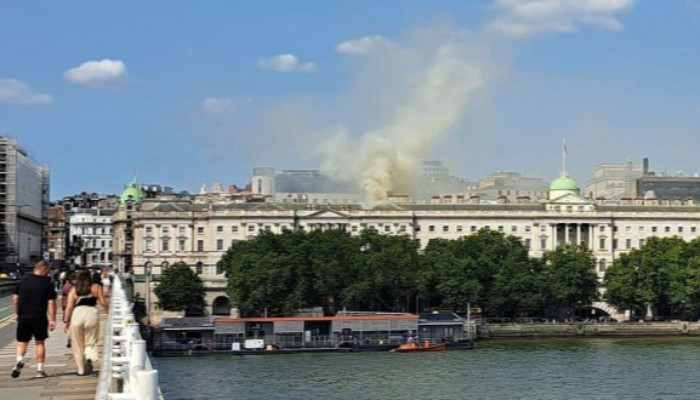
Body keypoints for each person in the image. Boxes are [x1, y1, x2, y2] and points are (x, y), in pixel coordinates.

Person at [11, 260, 57, 379]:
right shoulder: (48, 284)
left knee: (22, 342)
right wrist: (53, 320)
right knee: (40, 342)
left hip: (24, 317)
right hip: (39, 317)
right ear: (44, 269)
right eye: (48, 270)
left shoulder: (23, 281)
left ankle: (19, 360)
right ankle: (40, 370)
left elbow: (15, 299)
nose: (49, 273)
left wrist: (17, 313)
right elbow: (51, 303)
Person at [63, 270, 109, 376]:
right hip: (91, 313)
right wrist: (109, 313)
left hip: (77, 314)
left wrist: (66, 321)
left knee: (77, 344)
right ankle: (89, 356)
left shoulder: (74, 290)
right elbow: (103, 303)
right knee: (91, 340)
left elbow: (69, 307)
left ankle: (81, 370)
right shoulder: (96, 287)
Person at [61, 273, 77, 348]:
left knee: (67, 323)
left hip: (67, 306)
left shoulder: (66, 286)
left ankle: (69, 336)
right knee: (71, 323)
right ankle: (71, 336)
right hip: (75, 307)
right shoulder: (77, 287)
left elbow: (63, 297)